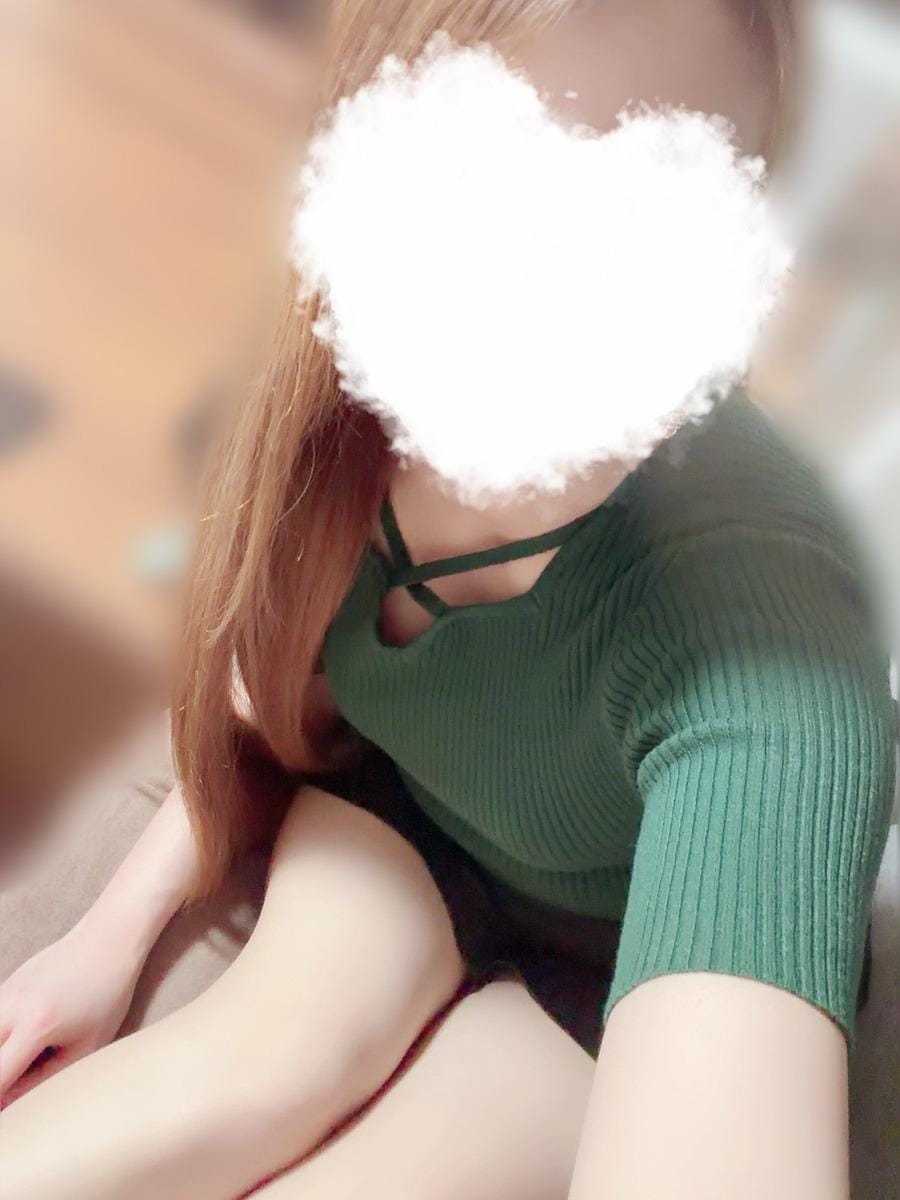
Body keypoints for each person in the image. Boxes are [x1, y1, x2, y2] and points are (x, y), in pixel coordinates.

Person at [1, 3, 895, 1198]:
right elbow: (261, 692)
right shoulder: (320, 420)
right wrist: (102, 944)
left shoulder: (767, 634)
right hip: (414, 823)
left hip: (612, 959)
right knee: (218, 1085)